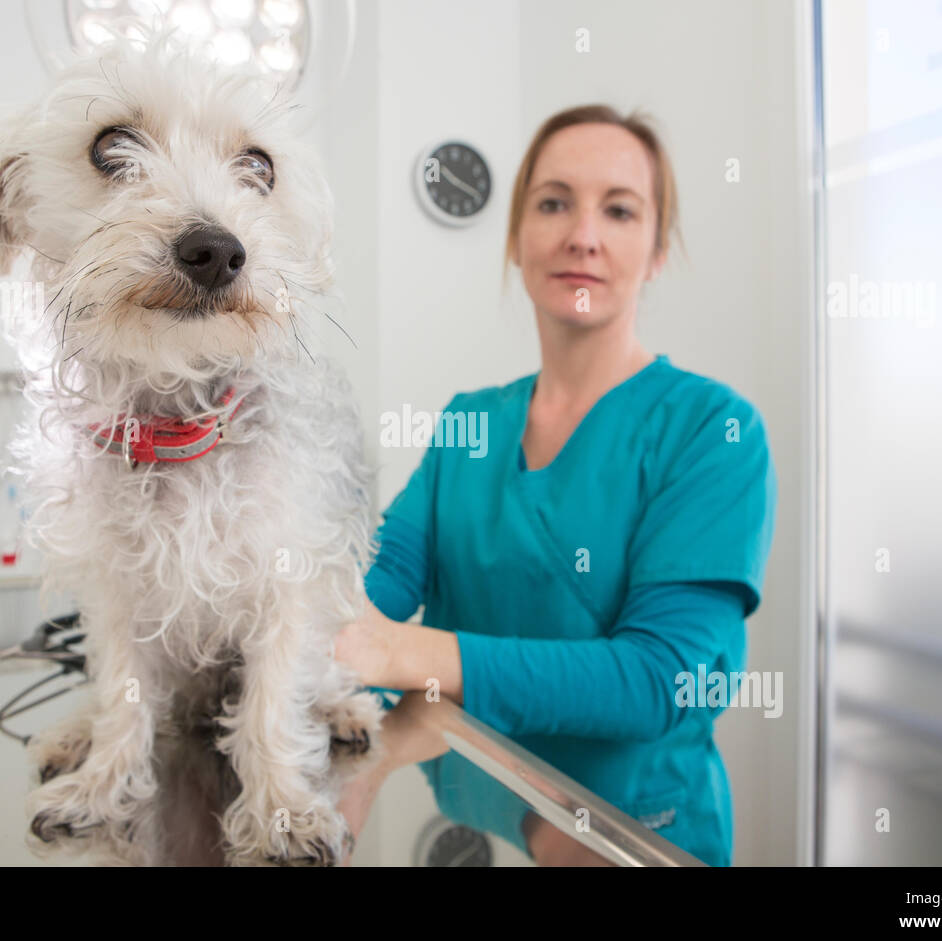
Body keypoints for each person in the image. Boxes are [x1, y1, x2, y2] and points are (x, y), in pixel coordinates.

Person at [333, 104, 777, 867]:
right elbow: (374, 592)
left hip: (640, 837)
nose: (583, 235)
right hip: (509, 811)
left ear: (657, 249)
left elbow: (659, 677)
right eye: (553, 202)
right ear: (515, 237)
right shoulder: (470, 425)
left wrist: (409, 660)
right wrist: (349, 741)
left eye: (619, 209)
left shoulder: (711, 431)